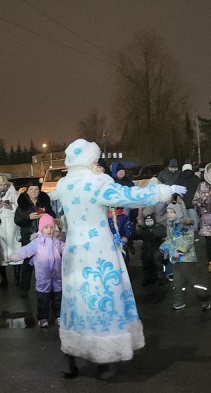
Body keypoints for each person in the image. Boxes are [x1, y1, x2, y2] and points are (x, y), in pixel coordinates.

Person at [50, 139, 184, 380]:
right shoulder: (98, 183)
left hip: (74, 251)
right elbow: (130, 196)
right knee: (105, 298)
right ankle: (105, 359)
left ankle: (69, 358)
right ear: (91, 160)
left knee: (75, 303)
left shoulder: (63, 184)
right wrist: (163, 190)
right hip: (99, 250)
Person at [9, 214, 64, 328]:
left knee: (57, 298)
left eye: (51, 227)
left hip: (56, 277)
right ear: (41, 228)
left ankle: (58, 316)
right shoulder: (37, 243)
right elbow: (25, 250)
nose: (49, 230)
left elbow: (66, 249)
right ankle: (42, 318)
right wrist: (13, 257)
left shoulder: (56, 242)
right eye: (46, 227)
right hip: (43, 278)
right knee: (43, 300)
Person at [159, 200, 211, 311]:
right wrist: (163, 248)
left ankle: (204, 299)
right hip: (176, 260)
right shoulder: (170, 225)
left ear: (177, 213)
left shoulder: (185, 225)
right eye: (167, 212)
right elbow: (170, 239)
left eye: (171, 212)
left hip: (187, 260)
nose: (169, 215)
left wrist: (180, 251)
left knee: (194, 282)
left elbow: (189, 240)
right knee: (177, 282)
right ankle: (179, 302)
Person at [14, 180, 54, 297]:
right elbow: (17, 220)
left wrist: (45, 215)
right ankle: (24, 288)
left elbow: (52, 215)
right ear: (27, 190)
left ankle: (46, 287)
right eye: (31, 189)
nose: (34, 192)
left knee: (46, 262)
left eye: (36, 189)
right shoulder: (23, 204)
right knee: (27, 263)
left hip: (44, 237)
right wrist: (28, 217)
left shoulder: (44, 202)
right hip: (28, 237)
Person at [0, 175, 21, 287]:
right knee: (0, 253)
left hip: (11, 223)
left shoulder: (14, 193)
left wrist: (11, 207)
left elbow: (18, 206)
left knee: (15, 249)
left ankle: (17, 278)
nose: (3, 186)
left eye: (4, 184)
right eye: (1, 185)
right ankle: (4, 279)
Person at [136, 212, 166, 285]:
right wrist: (138, 227)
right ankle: (147, 278)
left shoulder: (159, 228)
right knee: (146, 264)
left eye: (151, 221)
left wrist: (152, 230)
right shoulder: (143, 229)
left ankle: (159, 278)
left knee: (158, 264)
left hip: (156, 249)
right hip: (146, 250)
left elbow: (161, 234)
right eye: (147, 221)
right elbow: (137, 235)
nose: (149, 223)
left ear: (154, 221)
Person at [174, 163, 201, 233]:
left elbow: (175, 192)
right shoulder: (196, 178)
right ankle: (195, 237)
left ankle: (185, 236)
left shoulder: (179, 178)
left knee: (185, 223)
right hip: (193, 204)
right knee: (194, 224)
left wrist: (175, 202)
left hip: (182, 205)